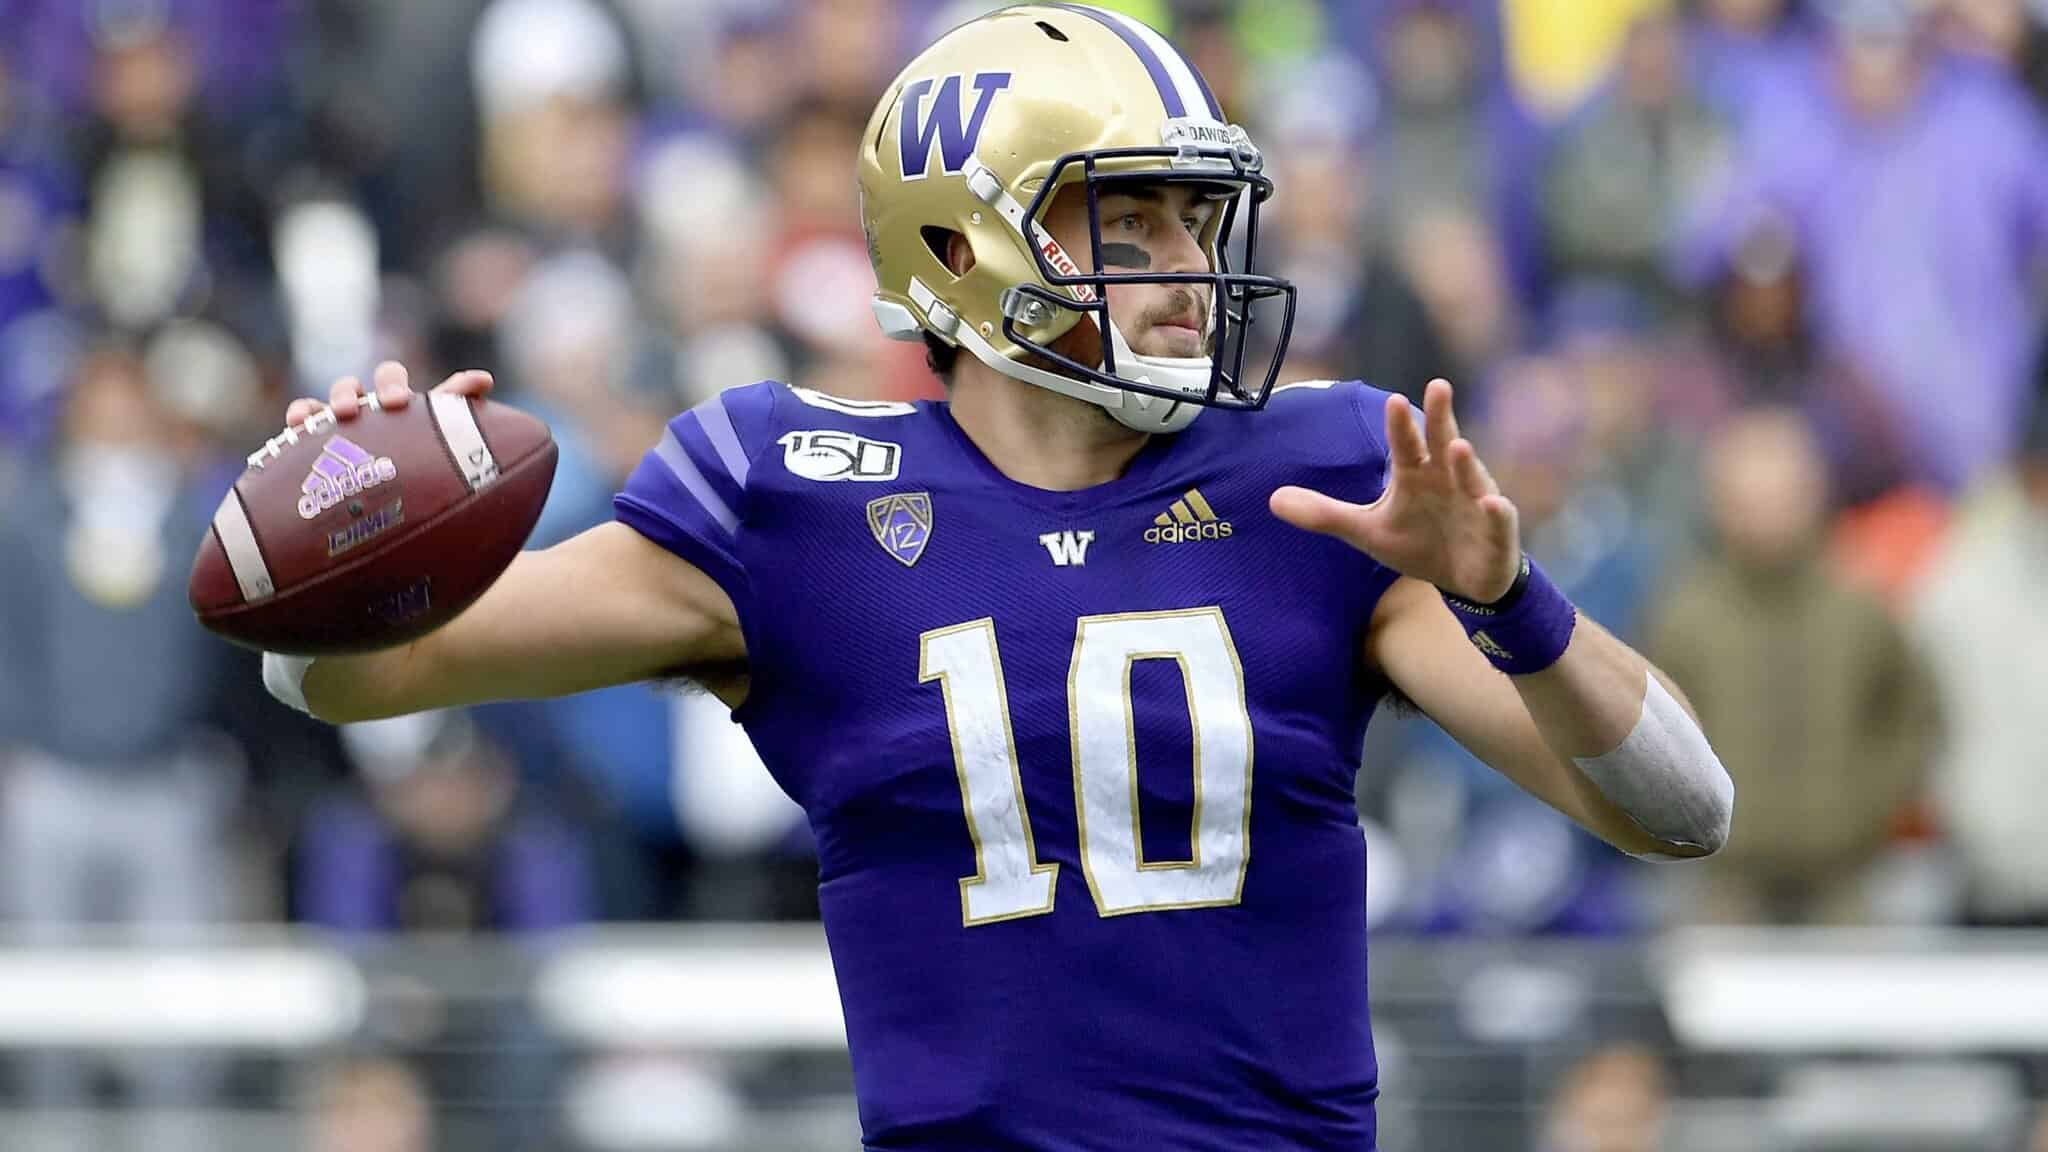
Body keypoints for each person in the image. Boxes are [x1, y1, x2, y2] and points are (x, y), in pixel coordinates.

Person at [251, 6, 1733, 1147]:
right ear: (964, 245)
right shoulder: (792, 501)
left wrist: (1511, 598)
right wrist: (334, 542)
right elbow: (359, 676)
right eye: (1130, 222)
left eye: (1197, 222)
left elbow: (1682, 812)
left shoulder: (1327, 478)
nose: (1186, 271)